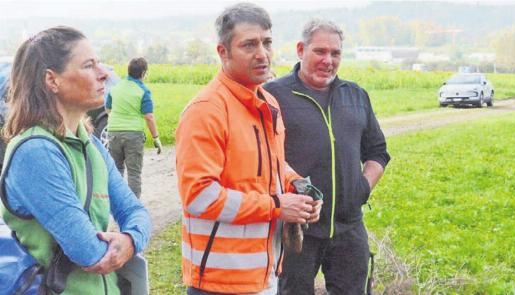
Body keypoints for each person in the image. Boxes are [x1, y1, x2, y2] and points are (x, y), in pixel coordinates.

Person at [174, 3, 322, 295]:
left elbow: (274, 166)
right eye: (249, 45)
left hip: (264, 274)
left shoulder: (267, 102)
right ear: (222, 52)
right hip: (219, 282)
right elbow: (199, 196)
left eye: (267, 43)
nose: (262, 54)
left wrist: (297, 190)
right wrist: (278, 206)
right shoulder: (207, 110)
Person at [1, 26, 150, 294]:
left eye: (99, 63)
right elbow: (87, 252)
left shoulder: (90, 144)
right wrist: (130, 242)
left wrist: (130, 239)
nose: (103, 73)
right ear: (52, 80)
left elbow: (136, 212)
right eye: (89, 65)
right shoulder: (35, 152)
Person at [264, 19, 391, 295]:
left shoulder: (355, 96)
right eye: (320, 51)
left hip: (349, 228)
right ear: (300, 49)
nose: (328, 60)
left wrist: (363, 187)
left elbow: (378, 151)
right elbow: (260, 158)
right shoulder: (274, 97)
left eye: (335, 53)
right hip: (297, 231)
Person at [105, 57, 161, 198]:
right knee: (134, 173)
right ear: (143, 73)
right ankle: (134, 207)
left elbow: (107, 108)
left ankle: (118, 204)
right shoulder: (143, 91)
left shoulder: (115, 88)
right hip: (133, 135)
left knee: (116, 171)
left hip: (113, 133)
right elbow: (149, 117)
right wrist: (156, 138)